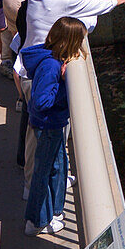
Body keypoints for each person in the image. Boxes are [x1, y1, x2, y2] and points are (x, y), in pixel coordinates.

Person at [17, 0, 125, 189]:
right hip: (42, 71)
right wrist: (122, 0)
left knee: (43, 133)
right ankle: (32, 187)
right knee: (40, 136)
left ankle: (53, 177)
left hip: (29, 66)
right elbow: (92, 6)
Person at [21, 16, 86, 236]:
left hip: (51, 125)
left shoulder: (50, 59)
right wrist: (65, 89)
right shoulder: (50, 66)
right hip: (48, 125)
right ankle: (37, 221)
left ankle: (54, 211)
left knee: (57, 166)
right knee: (44, 171)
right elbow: (41, 102)